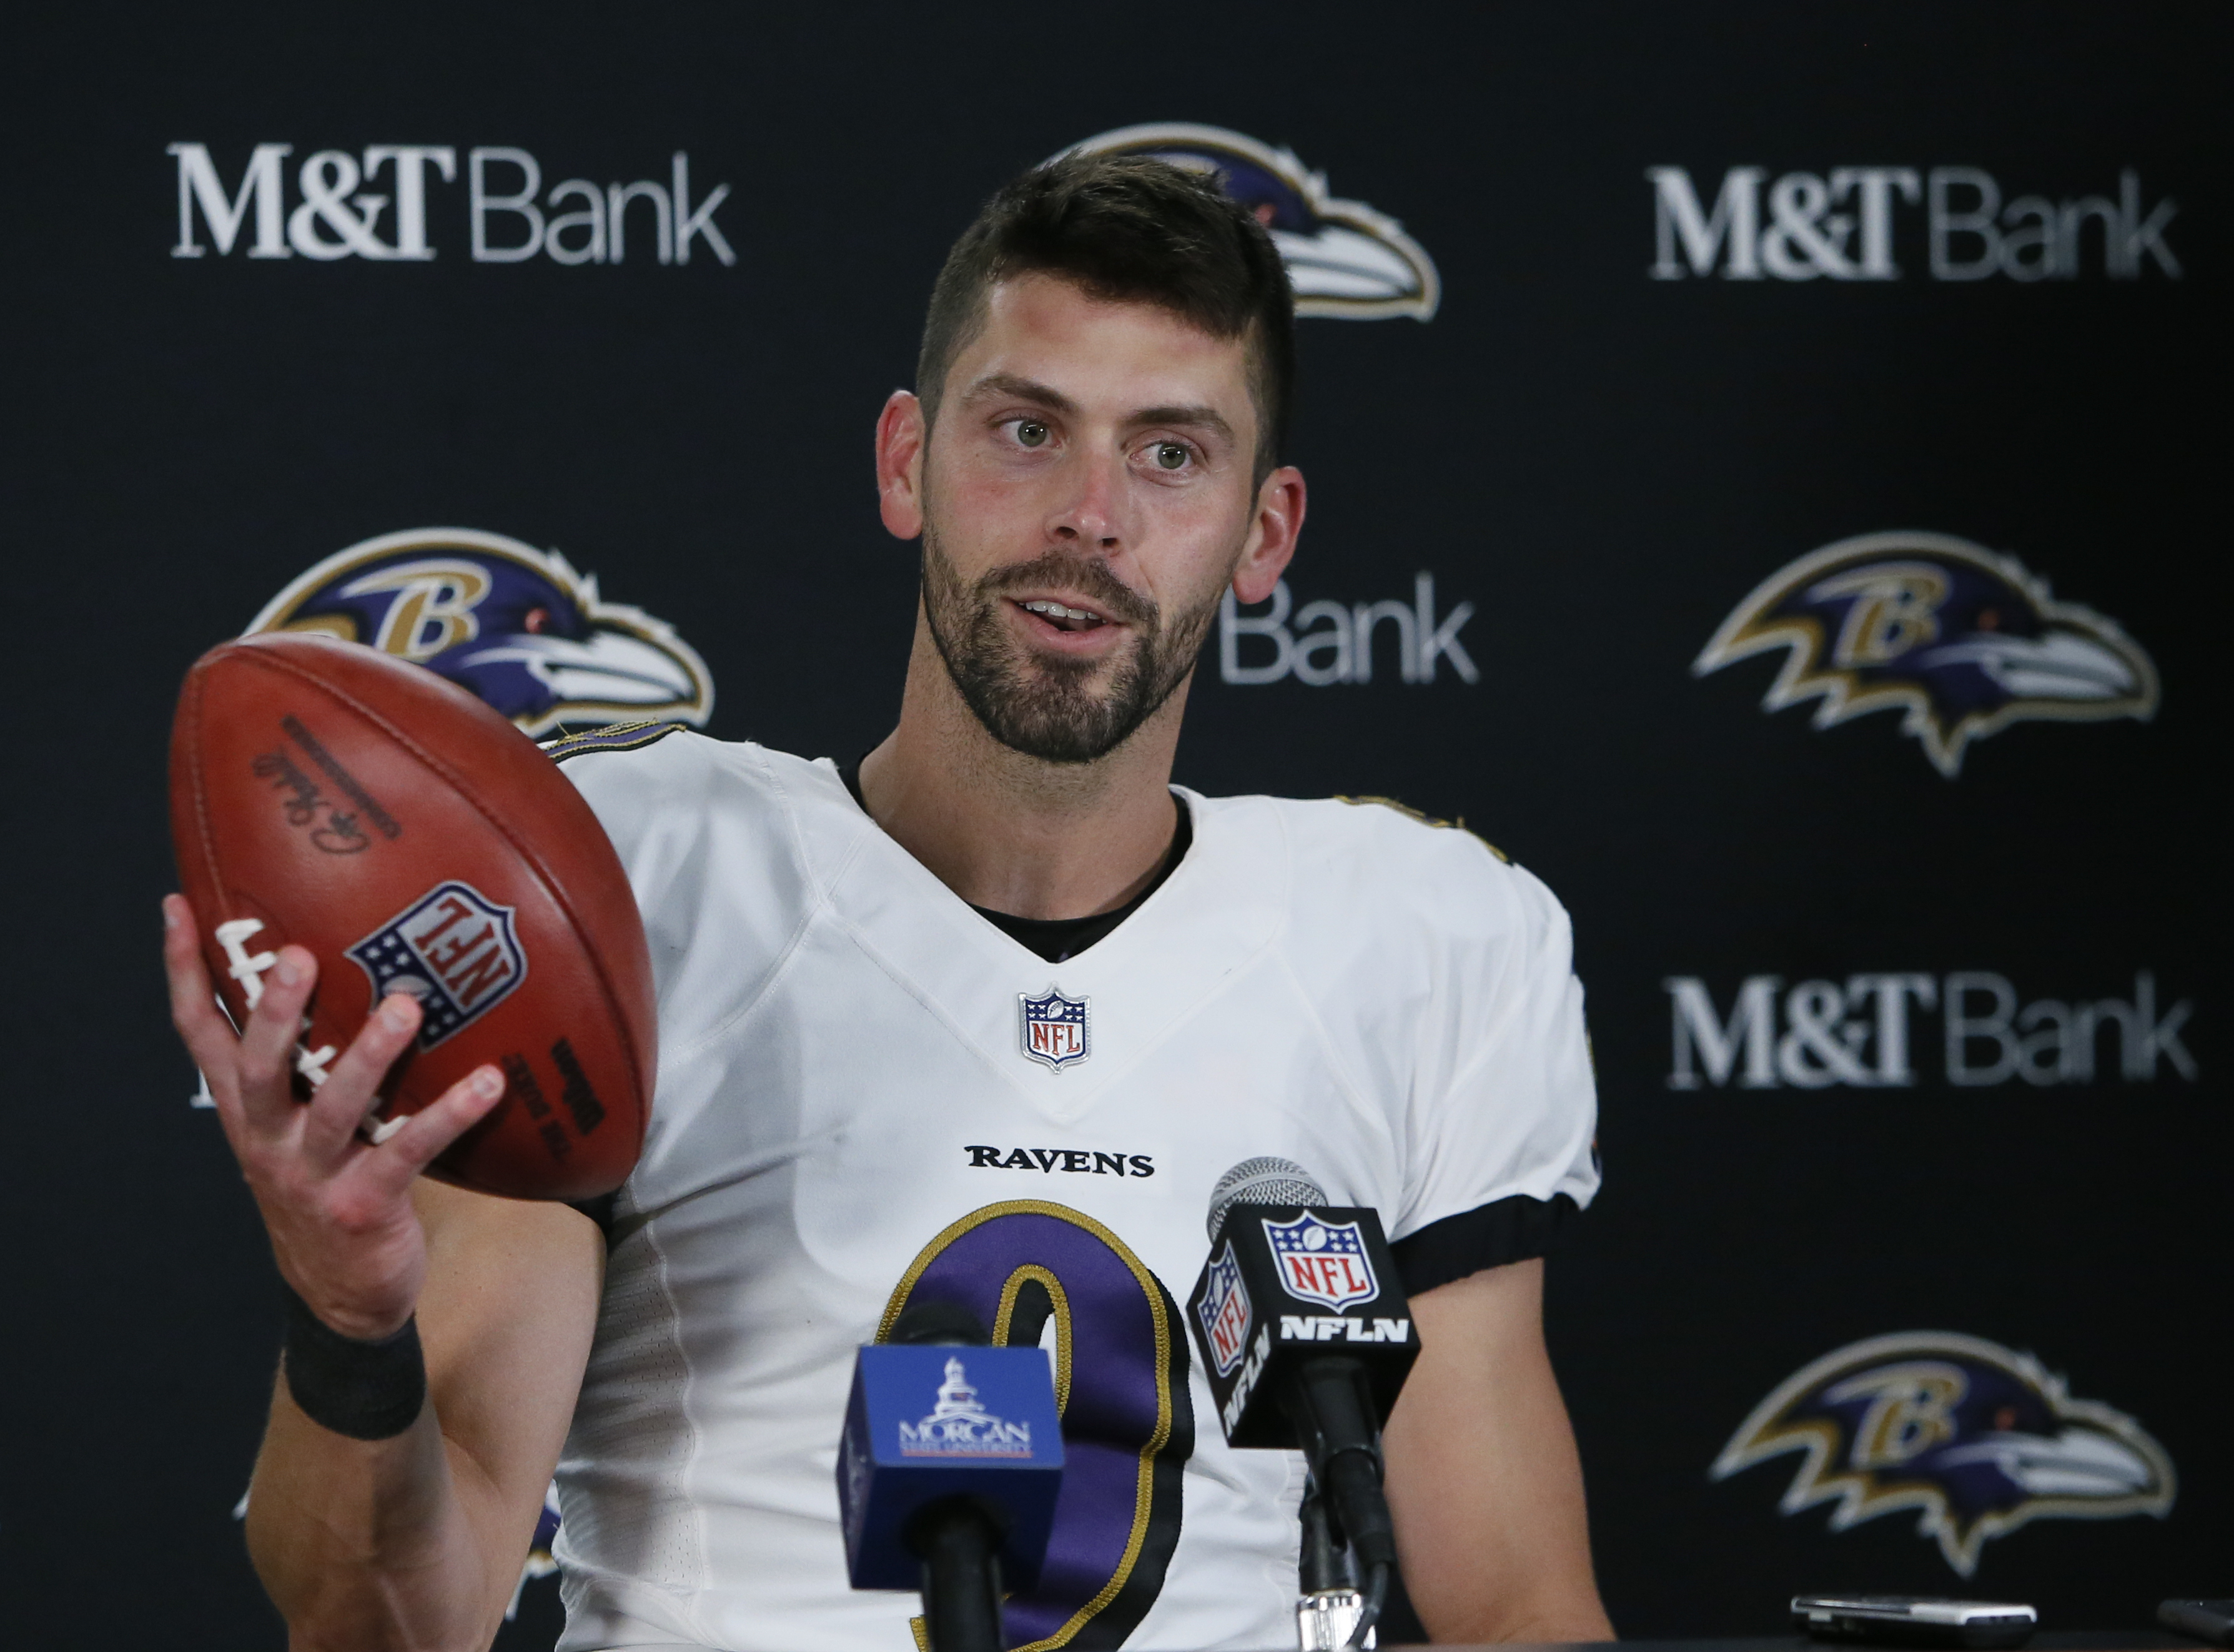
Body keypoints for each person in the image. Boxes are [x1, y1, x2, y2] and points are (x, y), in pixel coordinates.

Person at [163, 152, 1613, 1652]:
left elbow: (1514, 1606)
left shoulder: (1425, 937)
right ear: (905, 462)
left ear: (1265, 534)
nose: (1089, 517)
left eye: (1171, 454)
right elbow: (396, 1619)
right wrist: (349, 1329)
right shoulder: (637, 884)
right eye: (1026, 429)